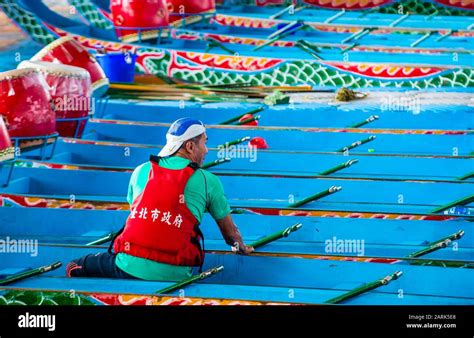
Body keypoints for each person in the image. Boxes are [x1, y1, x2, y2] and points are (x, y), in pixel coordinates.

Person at [67, 118, 253, 281]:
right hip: (177, 273)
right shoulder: (208, 180)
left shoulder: (141, 170)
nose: (207, 150)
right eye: (204, 143)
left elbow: (138, 211)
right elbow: (231, 236)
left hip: (127, 267)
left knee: (74, 265)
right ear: (189, 146)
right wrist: (241, 247)